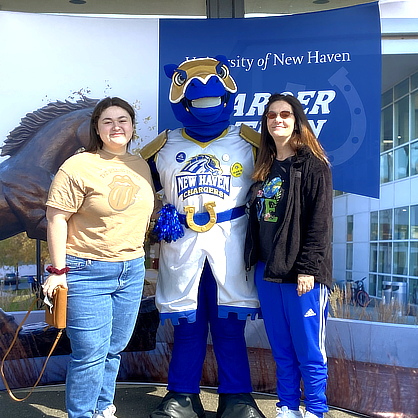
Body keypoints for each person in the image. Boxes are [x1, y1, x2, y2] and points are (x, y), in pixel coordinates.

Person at [143, 56, 265, 418]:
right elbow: (131, 192)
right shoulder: (161, 147)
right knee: (188, 325)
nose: (205, 104)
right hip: (181, 244)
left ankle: (237, 397)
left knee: (229, 327)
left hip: (232, 240)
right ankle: (181, 396)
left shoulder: (251, 143)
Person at [43, 97, 155, 418]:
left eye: (123, 120)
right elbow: (56, 219)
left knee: (113, 350)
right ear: (97, 127)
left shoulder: (140, 165)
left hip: (131, 270)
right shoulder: (78, 166)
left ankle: (103, 407)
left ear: (133, 127)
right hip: (85, 270)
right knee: (90, 353)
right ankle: (82, 414)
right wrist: (58, 270)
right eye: (108, 121)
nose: (116, 126)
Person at [245, 93, 333, 418]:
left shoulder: (313, 164)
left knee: (309, 350)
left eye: (285, 114)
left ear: (296, 120)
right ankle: (287, 407)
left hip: (301, 275)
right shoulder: (264, 167)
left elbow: (320, 223)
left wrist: (308, 268)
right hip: (267, 273)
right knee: (281, 350)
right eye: (271, 116)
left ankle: (316, 410)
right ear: (265, 123)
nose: (277, 120)